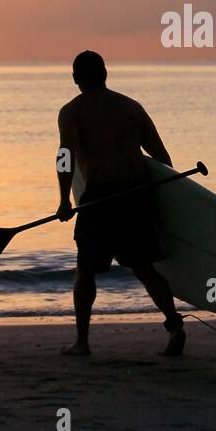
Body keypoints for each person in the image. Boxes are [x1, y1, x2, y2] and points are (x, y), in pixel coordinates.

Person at [55, 50, 185, 357]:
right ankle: (175, 326)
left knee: (85, 270)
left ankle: (82, 343)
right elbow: (162, 159)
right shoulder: (130, 107)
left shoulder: (72, 112)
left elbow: (65, 158)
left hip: (99, 198)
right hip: (137, 195)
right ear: (105, 74)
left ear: (75, 79)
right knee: (144, 266)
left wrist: (63, 200)